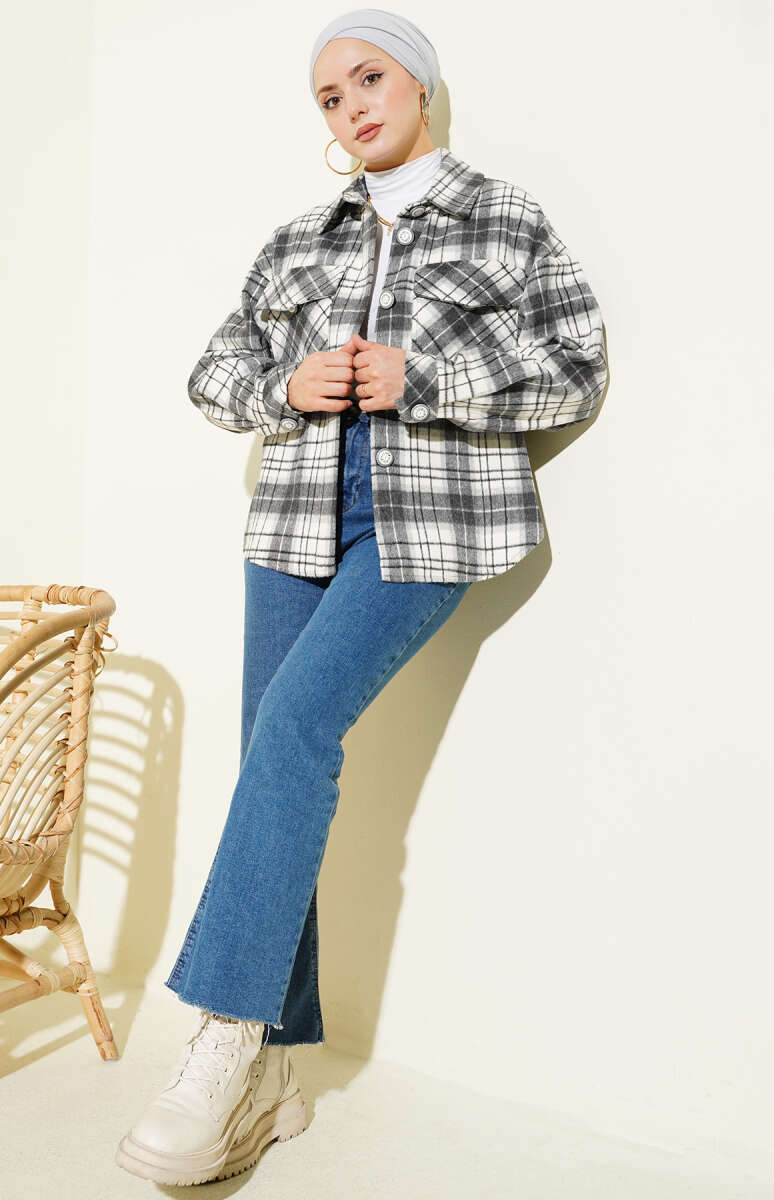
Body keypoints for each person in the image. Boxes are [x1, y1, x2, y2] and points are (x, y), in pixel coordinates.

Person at [116, 6, 609, 1186]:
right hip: (293, 520)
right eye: (329, 98)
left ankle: (221, 1040)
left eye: (368, 79)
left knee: (293, 728)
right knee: (271, 760)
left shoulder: (503, 217)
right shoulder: (298, 238)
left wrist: (424, 377)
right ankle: (275, 1071)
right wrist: (286, 387)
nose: (351, 107)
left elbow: (576, 366)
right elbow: (215, 372)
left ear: (419, 86)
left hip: (424, 525)